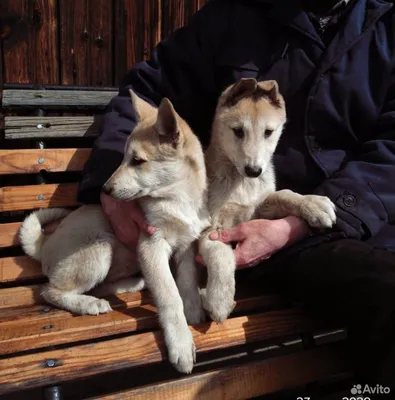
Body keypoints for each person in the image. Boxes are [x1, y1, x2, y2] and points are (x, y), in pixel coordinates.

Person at [50, 0, 395, 389]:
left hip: (355, 219)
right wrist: (113, 189)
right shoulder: (232, 17)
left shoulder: (385, 26)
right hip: (234, 223)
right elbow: (147, 91)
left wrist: (298, 222)